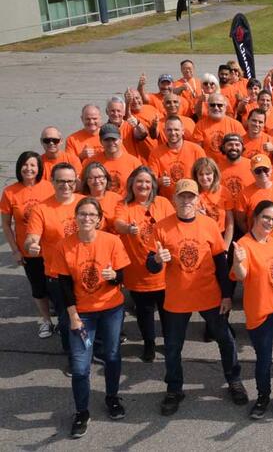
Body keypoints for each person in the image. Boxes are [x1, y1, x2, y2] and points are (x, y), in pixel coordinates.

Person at [147, 179, 246, 416]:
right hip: (177, 298)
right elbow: (150, 265)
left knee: (226, 339)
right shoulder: (161, 227)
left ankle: (233, 380)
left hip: (209, 294)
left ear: (198, 199)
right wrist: (157, 260)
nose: (186, 201)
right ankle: (174, 389)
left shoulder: (210, 225)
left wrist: (226, 295)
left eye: (190, 196)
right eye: (181, 196)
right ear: (174, 199)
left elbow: (221, 264)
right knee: (172, 347)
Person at [49, 197, 130, 438]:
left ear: (99, 219)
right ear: (76, 217)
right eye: (82, 214)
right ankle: (82, 412)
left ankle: (112, 398)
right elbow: (63, 286)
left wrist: (114, 276)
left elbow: (122, 277)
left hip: (111, 309)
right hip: (82, 313)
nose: (87, 218)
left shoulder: (112, 241)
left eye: (92, 215)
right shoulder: (64, 246)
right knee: (80, 366)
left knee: (113, 355)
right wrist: (73, 316)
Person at [231, 200, 273, 419]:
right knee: (264, 359)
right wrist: (238, 262)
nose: (270, 222)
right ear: (255, 217)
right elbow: (241, 275)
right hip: (261, 312)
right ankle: (263, 397)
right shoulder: (244, 245)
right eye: (266, 217)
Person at [113, 167, 174, 362]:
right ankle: (149, 343)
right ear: (131, 183)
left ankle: (170, 342)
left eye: (147, 182)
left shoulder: (163, 203)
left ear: (153, 185)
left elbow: (175, 225)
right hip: (138, 271)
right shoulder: (124, 205)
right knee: (144, 312)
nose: (143, 185)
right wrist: (128, 229)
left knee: (168, 311)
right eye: (139, 181)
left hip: (164, 270)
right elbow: (118, 223)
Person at [25, 163, 85, 355]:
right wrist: (31, 244)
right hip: (58, 275)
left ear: (75, 181)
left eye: (69, 181)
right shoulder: (41, 209)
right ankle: (72, 355)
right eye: (60, 181)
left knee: (88, 315)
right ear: (52, 182)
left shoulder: (86, 203)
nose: (65, 185)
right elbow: (32, 237)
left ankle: (91, 349)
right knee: (67, 318)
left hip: (85, 270)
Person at [1, 151, 54, 337]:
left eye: (33, 165)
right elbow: (6, 225)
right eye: (25, 164)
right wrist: (15, 250)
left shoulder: (49, 187)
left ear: (39, 168)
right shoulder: (10, 192)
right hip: (29, 251)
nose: (29, 168)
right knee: (38, 288)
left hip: (52, 249)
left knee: (58, 286)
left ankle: (65, 319)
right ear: (19, 167)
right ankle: (46, 320)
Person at [83, 124, 140, 195]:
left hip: (126, 203)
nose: (111, 143)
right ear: (101, 141)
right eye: (107, 140)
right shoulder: (91, 162)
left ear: (121, 140)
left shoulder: (134, 162)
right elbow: (84, 186)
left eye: (114, 139)